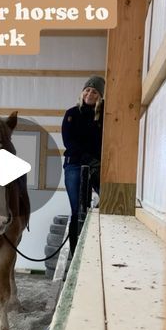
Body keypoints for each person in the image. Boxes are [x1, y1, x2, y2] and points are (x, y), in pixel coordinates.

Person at [62, 76, 105, 249]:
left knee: (107, 196)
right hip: (74, 165)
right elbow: (68, 142)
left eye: (94, 91)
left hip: (95, 164)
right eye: (87, 90)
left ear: (100, 96)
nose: (89, 93)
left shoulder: (103, 116)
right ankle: (74, 252)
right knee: (77, 211)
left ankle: (95, 246)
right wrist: (86, 157)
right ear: (82, 92)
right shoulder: (71, 113)